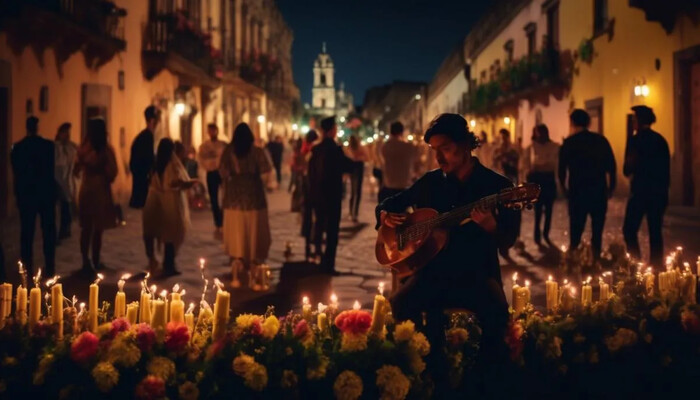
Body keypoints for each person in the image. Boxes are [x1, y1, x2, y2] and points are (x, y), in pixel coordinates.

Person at [376, 114, 518, 390]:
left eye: (447, 149)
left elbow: (508, 239)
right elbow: (392, 202)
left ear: (466, 144)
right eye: (434, 151)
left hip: (477, 273)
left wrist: (491, 226)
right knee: (400, 302)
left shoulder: (497, 186)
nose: (439, 159)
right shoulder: (430, 182)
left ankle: (480, 382)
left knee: (498, 314)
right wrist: (384, 215)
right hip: (434, 271)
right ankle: (427, 369)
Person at [220, 123, 273, 288]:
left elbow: (222, 171)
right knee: (254, 229)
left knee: (237, 230)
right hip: (254, 196)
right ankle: (254, 265)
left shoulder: (229, 151)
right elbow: (267, 170)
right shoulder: (257, 151)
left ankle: (237, 263)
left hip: (234, 197)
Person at [559, 109, 616, 260]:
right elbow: (611, 165)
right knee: (597, 229)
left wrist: (564, 189)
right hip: (598, 190)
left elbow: (561, 169)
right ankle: (595, 257)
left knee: (576, 228)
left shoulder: (569, 143)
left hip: (577, 191)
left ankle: (574, 259)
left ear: (572, 122)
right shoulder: (600, 140)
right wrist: (611, 187)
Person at [308, 116, 356, 273]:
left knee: (319, 226)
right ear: (332, 130)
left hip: (317, 195)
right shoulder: (336, 150)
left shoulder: (316, 150)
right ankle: (329, 264)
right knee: (332, 230)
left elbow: (310, 174)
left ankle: (317, 256)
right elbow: (349, 166)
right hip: (333, 195)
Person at [622, 106, 669, 266]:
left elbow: (627, 169)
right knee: (655, 231)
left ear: (639, 121)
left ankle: (635, 263)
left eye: (634, 119)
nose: (633, 122)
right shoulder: (661, 140)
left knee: (629, 230)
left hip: (640, 192)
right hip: (658, 193)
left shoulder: (635, 141)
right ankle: (656, 266)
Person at [11, 116, 56, 277]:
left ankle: (27, 267)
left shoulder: (18, 147)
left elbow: (16, 172)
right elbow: (52, 171)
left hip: (27, 195)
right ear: (37, 127)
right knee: (48, 232)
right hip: (45, 194)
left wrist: (17, 193)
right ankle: (50, 266)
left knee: (27, 233)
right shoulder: (48, 146)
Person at [142, 138, 194, 277]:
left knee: (160, 232)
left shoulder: (155, 164)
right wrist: (186, 184)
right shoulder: (171, 165)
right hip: (170, 200)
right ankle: (168, 264)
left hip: (154, 200)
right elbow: (172, 183)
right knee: (171, 233)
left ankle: (157, 261)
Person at [74, 118, 118, 273]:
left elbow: (76, 170)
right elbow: (113, 172)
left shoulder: (83, 149)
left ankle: (86, 261)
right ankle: (96, 259)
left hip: (86, 188)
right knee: (98, 228)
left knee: (86, 228)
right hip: (100, 190)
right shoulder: (106, 150)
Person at [524, 124, 559, 246]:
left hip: (548, 180)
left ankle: (546, 233)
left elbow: (553, 164)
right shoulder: (531, 148)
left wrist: (540, 165)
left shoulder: (554, 146)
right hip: (537, 180)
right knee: (538, 210)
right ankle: (537, 235)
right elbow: (527, 165)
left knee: (549, 209)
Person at [378, 121, 416, 203]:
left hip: (389, 186)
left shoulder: (385, 147)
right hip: (404, 186)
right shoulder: (408, 147)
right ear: (402, 132)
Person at [198, 123, 227, 231]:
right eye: (210, 130)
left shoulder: (223, 145)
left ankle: (224, 218)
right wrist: (210, 165)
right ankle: (218, 221)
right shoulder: (204, 146)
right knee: (213, 198)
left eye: (214, 130)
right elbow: (201, 159)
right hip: (211, 173)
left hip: (222, 172)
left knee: (225, 196)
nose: (212, 133)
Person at [129, 106, 159, 208]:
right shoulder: (147, 137)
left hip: (140, 174)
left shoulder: (142, 136)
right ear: (152, 121)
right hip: (142, 176)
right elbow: (147, 157)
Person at [54, 122, 78, 241]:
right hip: (57, 182)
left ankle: (65, 230)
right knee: (60, 209)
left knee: (67, 208)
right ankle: (60, 232)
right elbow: (59, 163)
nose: (67, 135)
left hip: (68, 182)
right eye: (65, 133)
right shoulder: (55, 147)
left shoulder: (71, 146)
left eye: (68, 133)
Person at [300, 130, 319, 260]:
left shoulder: (303, 150)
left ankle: (308, 246)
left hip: (306, 188)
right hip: (316, 188)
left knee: (307, 217)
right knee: (318, 218)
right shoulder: (316, 151)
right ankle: (316, 246)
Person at [346, 135, 369, 222]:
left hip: (355, 168)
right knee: (356, 192)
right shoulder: (359, 148)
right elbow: (366, 157)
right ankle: (354, 212)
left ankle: (352, 212)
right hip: (358, 168)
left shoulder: (350, 148)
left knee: (354, 192)